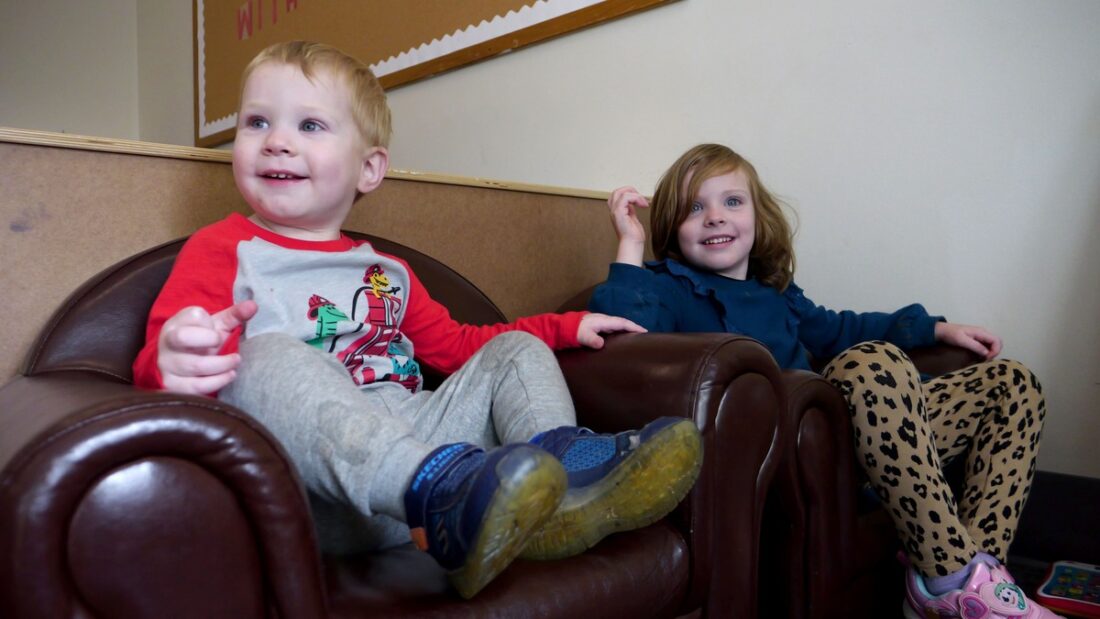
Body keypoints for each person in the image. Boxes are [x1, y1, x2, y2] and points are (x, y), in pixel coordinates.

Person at [132, 41, 703, 600]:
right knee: (264, 356)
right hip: (326, 488)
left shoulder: (389, 272)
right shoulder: (224, 248)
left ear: (370, 169)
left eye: (309, 126)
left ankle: (560, 483)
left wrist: (564, 328)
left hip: (426, 452)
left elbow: (461, 347)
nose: (276, 142)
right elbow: (165, 356)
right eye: (256, 123)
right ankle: (444, 496)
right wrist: (173, 358)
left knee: (512, 356)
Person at [590, 143, 1057, 618]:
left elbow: (841, 327)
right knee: (868, 363)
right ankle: (951, 579)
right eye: (695, 207)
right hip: (798, 452)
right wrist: (629, 244)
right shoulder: (667, 286)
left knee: (1012, 383)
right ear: (671, 227)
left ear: (758, 215)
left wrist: (936, 328)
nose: (715, 217)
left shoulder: (778, 294)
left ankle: (979, 585)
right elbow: (626, 342)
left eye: (732, 201)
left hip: (878, 442)